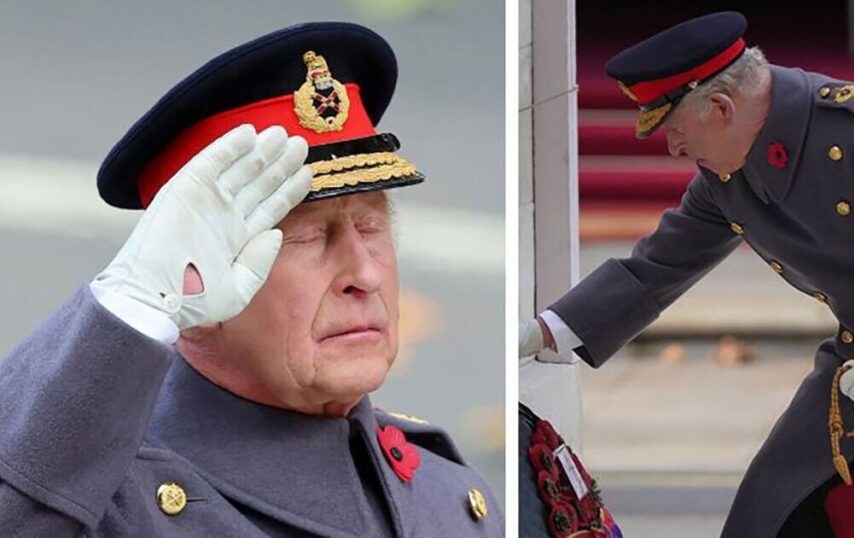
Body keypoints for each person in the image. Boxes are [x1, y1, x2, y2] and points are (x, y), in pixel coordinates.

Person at [520, 11, 854, 537]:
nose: (672, 149)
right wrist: (545, 330)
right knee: (768, 514)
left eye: (674, 130)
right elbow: (656, 266)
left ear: (720, 107)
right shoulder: (725, 175)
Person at [0, 23, 502, 537]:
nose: (366, 274)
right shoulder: (105, 507)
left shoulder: (449, 496)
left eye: (371, 225)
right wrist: (133, 305)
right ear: (196, 270)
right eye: (309, 235)